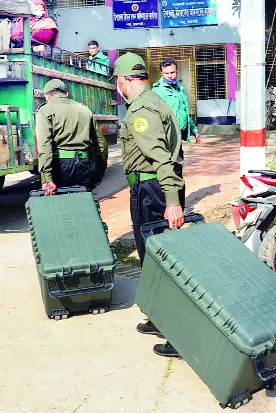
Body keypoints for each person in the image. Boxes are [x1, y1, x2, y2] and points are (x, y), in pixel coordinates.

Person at [112, 52, 186, 359]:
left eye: (117, 79)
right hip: (155, 189)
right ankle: (160, 318)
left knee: (160, 263)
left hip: (152, 190)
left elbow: (160, 158)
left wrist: (171, 202)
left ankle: (179, 333)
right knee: (156, 259)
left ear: (126, 79)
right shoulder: (158, 101)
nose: (117, 85)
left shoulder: (141, 110)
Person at [35, 79, 107, 194]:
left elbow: (44, 146)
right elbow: (101, 145)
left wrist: (46, 177)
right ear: (66, 94)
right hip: (84, 163)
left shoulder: (45, 111)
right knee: (84, 202)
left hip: (60, 166)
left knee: (62, 205)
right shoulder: (84, 109)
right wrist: (99, 171)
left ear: (47, 96)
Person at [152, 59, 203, 145]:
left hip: (178, 136)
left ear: (177, 72)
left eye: (172, 72)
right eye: (166, 73)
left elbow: (185, 112)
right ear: (161, 73)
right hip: (165, 136)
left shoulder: (180, 89)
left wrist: (195, 132)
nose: (169, 76)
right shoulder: (157, 90)